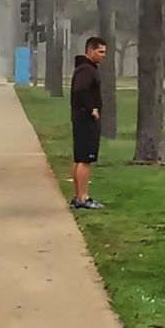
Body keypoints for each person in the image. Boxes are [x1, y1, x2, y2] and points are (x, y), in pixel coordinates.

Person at [70, 36, 107, 209]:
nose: (103, 55)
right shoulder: (86, 70)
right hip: (86, 120)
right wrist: (91, 108)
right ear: (90, 51)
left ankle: (77, 197)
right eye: (100, 52)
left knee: (79, 159)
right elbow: (80, 90)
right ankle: (83, 197)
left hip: (80, 119)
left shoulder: (85, 68)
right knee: (85, 160)